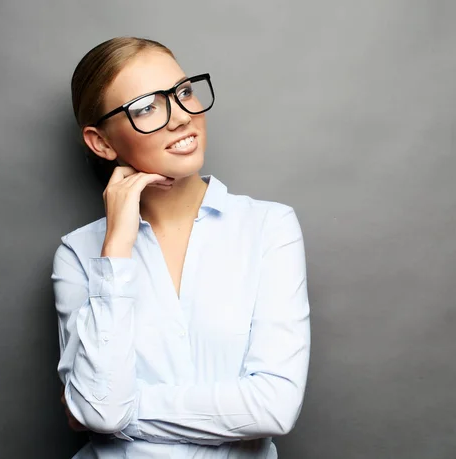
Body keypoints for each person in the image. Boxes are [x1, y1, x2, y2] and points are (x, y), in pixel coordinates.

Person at [52, 36, 311, 458]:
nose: (181, 118)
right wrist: (116, 248)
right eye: (146, 107)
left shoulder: (269, 228)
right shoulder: (79, 255)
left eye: (183, 92)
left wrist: (118, 411)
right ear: (101, 142)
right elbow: (99, 407)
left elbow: (273, 407)